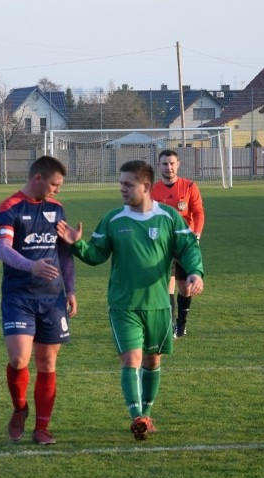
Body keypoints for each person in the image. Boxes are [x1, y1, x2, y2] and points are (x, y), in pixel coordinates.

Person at [56, 160, 204, 441]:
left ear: (145, 186)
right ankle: (136, 416)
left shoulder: (169, 218)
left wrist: (196, 272)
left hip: (159, 304)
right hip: (124, 304)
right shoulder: (113, 219)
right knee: (131, 359)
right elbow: (97, 254)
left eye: (128, 184)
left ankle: (146, 412)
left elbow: (188, 249)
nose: (121, 189)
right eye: (120, 184)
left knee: (152, 360)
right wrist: (77, 244)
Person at [0, 155, 76, 446]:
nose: (57, 190)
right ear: (38, 179)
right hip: (19, 296)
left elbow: (64, 252)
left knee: (47, 361)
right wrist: (32, 266)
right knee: (19, 359)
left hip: (52, 297)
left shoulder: (57, 209)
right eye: (54, 184)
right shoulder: (9, 207)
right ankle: (19, 408)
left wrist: (71, 289)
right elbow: (2, 249)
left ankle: (42, 428)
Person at [151, 149, 205, 338]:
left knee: (186, 287)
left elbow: (198, 213)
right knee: (168, 285)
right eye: (165, 164)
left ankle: (181, 324)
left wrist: (196, 235)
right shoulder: (153, 190)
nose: (169, 167)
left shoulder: (189, 186)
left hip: (185, 245)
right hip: (163, 245)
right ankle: (170, 325)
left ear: (178, 164)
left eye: (172, 163)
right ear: (159, 166)